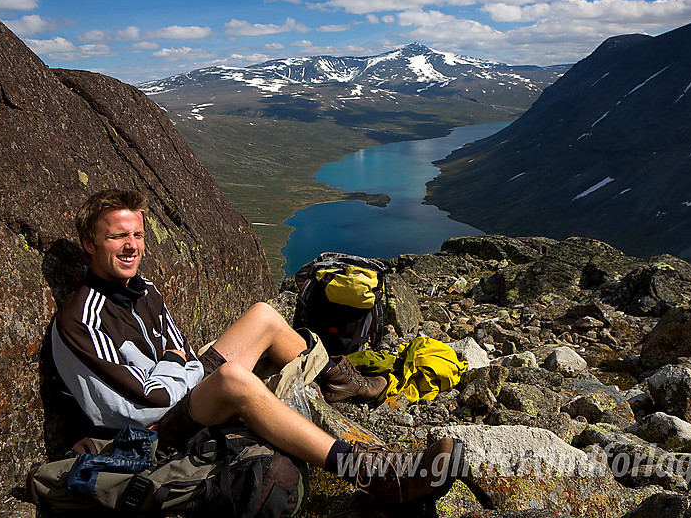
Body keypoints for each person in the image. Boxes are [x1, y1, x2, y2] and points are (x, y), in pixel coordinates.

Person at [49, 189, 465, 505]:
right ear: (90, 243)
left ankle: (343, 385)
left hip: (184, 390)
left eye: (137, 234)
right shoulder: (81, 319)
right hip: (151, 431)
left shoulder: (143, 289)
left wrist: (180, 367)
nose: (132, 245)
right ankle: (377, 473)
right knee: (232, 378)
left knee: (265, 316)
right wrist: (181, 368)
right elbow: (139, 406)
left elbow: (180, 353)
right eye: (118, 236)